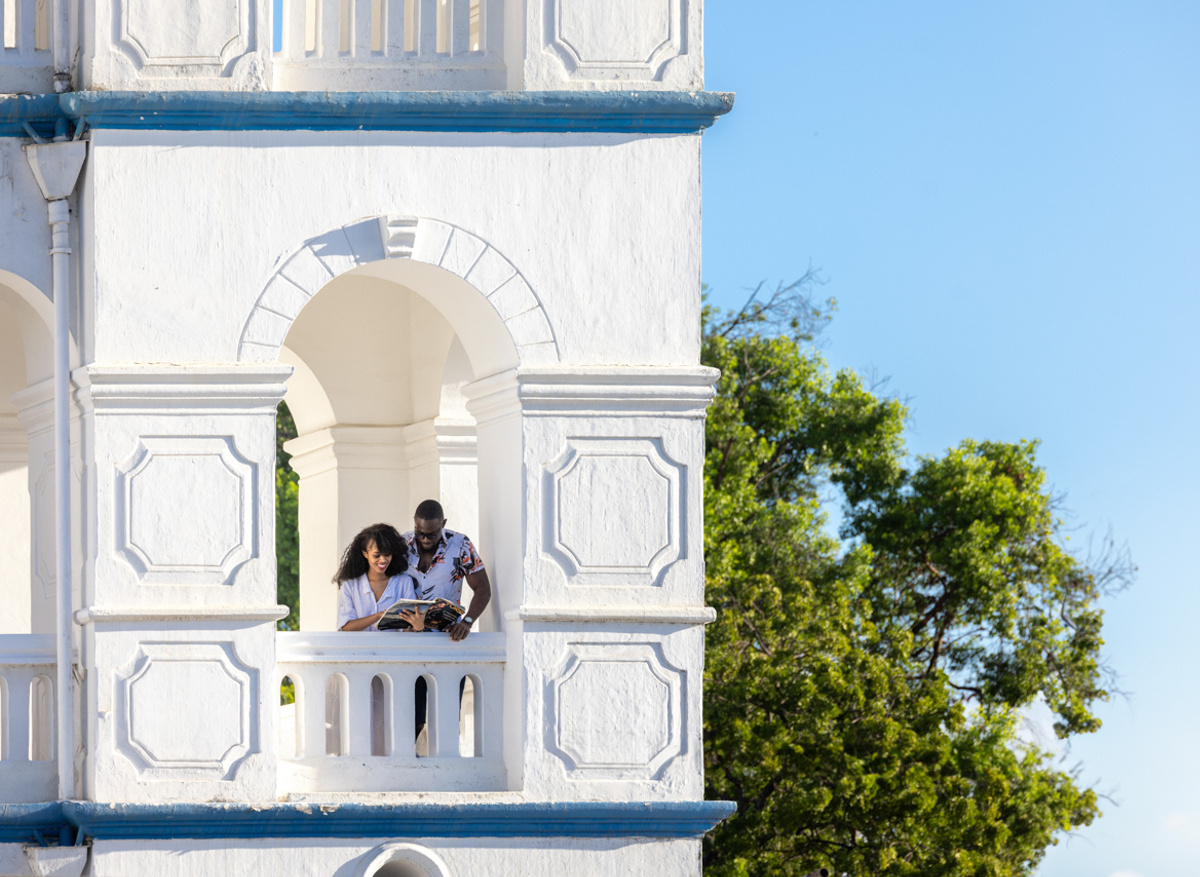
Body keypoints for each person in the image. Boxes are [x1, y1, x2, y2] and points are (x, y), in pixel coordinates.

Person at [403, 499, 492, 642]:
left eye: (432, 534)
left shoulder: (461, 545)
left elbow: (483, 589)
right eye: (420, 533)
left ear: (443, 524)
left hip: (447, 637)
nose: (425, 540)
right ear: (415, 522)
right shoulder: (402, 545)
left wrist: (467, 622)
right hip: (406, 636)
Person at [334, 522, 425, 632]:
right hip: (359, 648)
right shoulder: (350, 584)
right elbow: (345, 627)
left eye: (387, 554)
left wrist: (418, 627)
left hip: (393, 648)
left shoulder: (404, 582)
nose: (383, 560)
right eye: (376, 555)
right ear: (365, 554)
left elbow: (406, 629)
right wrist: (378, 616)